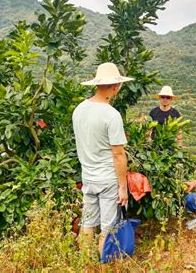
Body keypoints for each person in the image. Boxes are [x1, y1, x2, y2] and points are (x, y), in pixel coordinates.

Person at [72, 62, 134, 258]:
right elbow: (118, 154)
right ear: (115, 86)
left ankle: (85, 263)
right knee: (107, 228)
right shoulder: (111, 115)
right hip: (107, 179)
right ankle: (104, 264)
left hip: (88, 176)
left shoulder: (79, 109)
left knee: (88, 223)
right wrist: (122, 187)